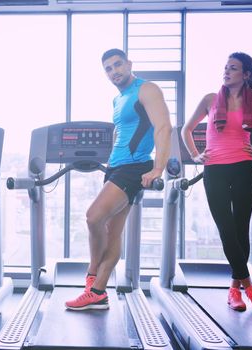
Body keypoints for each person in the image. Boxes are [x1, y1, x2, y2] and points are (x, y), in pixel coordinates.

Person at [65, 48, 172, 311]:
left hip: (135, 168)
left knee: (93, 217)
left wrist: (158, 168)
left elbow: (163, 127)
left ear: (128, 64)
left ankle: (91, 275)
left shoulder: (146, 89)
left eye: (118, 65)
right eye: (109, 69)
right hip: (116, 167)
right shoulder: (119, 99)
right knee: (112, 232)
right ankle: (98, 292)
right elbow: (122, 132)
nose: (114, 72)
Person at [181, 52, 252, 312]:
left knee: (240, 229)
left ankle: (234, 290)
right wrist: (196, 155)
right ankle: (250, 288)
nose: (226, 71)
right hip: (215, 169)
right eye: (225, 67)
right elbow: (186, 130)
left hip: (244, 169)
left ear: (246, 75)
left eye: (233, 68)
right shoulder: (209, 100)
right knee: (226, 229)